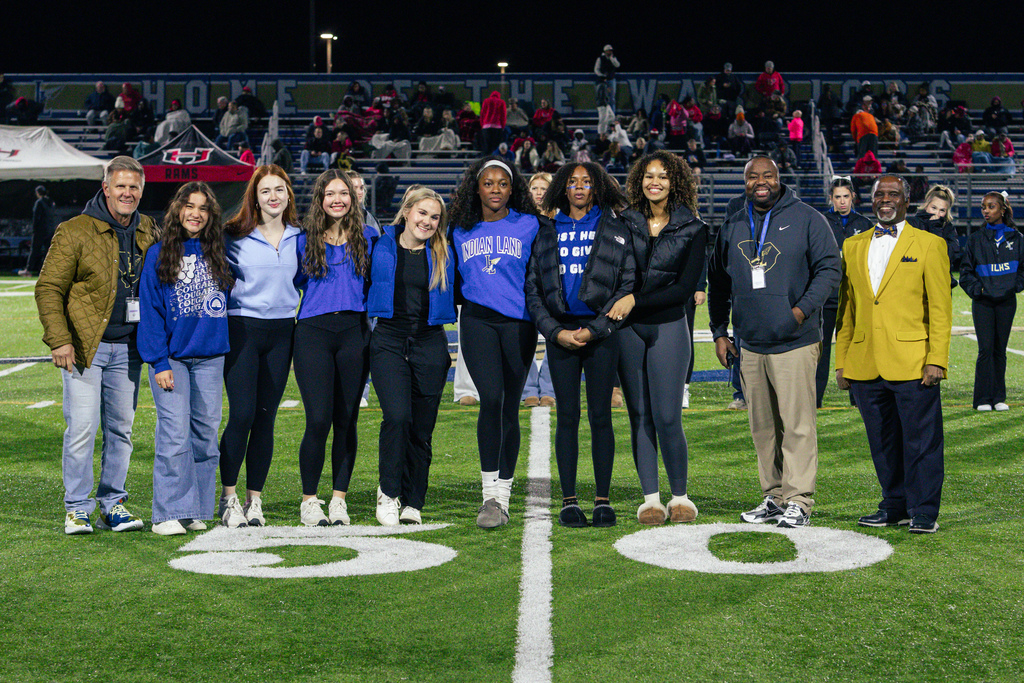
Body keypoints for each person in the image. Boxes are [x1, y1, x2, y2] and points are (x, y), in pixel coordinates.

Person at [708, 157, 841, 529]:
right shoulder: (734, 222)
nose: (760, 182)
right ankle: (773, 496)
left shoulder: (808, 218)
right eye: (753, 177)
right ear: (745, 182)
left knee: (797, 424)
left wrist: (799, 312)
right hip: (749, 344)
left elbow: (830, 268)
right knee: (763, 428)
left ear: (779, 179)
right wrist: (719, 331)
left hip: (794, 340)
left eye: (767, 176)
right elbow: (716, 280)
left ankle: (799, 499)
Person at [34, 156, 157, 535]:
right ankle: (77, 507)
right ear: (106, 188)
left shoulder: (149, 229)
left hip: (130, 349)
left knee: (121, 431)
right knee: (83, 428)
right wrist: (59, 340)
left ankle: (112, 504)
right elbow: (49, 287)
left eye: (134, 187)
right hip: (86, 348)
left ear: (141, 190)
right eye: (120, 186)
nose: (127, 193)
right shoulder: (74, 230)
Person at [835, 175, 952, 534]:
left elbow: (941, 309)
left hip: (914, 362)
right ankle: (894, 505)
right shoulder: (852, 245)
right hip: (865, 361)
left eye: (893, 194)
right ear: (870, 200)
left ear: (907, 199)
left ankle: (923, 511)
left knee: (921, 441)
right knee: (882, 443)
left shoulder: (930, 244)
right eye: (879, 194)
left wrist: (937, 359)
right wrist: (842, 362)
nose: (886, 200)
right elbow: (847, 310)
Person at [526, 162, 634, 528]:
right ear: (562, 187)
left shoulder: (615, 226)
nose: (579, 188)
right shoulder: (546, 231)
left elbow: (626, 283)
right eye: (572, 182)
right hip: (561, 334)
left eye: (587, 182)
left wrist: (597, 328)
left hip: (601, 334)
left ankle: (603, 499)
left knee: (601, 416)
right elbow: (534, 291)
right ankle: (569, 500)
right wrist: (555, 333)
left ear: (597, 187)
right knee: (567, 418)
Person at [609, 150, 708, 525]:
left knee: (668, 416)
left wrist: (634, 299)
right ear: (639, 181)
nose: (655, 182)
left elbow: (683, 287)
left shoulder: (694, 228)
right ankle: (650, 499)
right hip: (629, 330)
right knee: (640, 415)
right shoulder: (622, 223)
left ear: (675, 182)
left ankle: (680, 496)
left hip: (668, 325)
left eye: (663, 177)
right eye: (649, 175)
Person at [449, 157, 542, 528]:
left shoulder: (530, 224)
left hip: (519, 324)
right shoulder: (459, 228)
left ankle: (503, 495)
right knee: (491, 399)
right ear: (477, 187)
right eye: (488, 183)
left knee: (509, 406)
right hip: (477, 322)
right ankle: (489, 495)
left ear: (512, 187)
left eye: (502, 183)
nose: (495, 190)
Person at [138, 182, 232, 536]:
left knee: (205, 437)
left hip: (210, 358)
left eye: (203, 208)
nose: (196, 213)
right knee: (175, 435)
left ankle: (194, 508)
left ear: (211, 215)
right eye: (190, 206)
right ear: (178, 210)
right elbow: (150, 311)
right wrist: (159, 361)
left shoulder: (220, 251)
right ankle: (167, 513)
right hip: (172, 358)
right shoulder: (159, 253)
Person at [366, 187, 455, 525]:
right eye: (422, 213)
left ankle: (414, 500)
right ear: (406, 213)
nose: (428, 221)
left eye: (435, 217)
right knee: (397, 417)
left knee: (421, 429)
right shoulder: (379, 243)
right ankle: (388, 493)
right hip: (388, 341)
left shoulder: (446, 252)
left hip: (430, 344)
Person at [219, 165, 302, 527]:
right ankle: (228, 497)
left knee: (266, 420)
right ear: (254, 196)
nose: (273, 197)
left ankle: (255, 500)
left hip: (283, 331)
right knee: (241, 415)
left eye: (279, 190)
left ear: (288, 195)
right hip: (243, 329)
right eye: (265, 190)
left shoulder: (300, 235)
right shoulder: (232, 235)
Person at [293, 170, 375, 526]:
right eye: (330, 194)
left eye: (344, 193)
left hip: (355, 332)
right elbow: (293, 282)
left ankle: (339, 498)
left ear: (353, 199)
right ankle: (310, 500)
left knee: (347, 420)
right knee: (318, 419)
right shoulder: (303, 239)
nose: (337, 199)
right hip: (312, 332)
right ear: (320, 199)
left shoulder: (369, 237)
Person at [959, 192, 1024, 412]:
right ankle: (982, 399)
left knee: (1000, 350)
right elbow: (965, 273)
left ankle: (999, 398)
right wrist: (979, 290)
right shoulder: (975, 239)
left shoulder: (1017, 238)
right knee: (985, 350)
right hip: (983, 303)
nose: (986, 211)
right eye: (983, 207)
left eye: (991, 206)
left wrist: (1014, 286)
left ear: (1003, 209)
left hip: (1006, 302)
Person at [817, 176, 873, 408]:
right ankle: (815, 398)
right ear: (831, 198)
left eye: (846, 197)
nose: (842, 201)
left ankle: (856, 398)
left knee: (854, 347)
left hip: (854, 297)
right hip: (827, 296)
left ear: (853, 197)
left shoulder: (866, 224)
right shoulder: (820, 221)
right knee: (821, 350)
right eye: (837, 197)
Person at [906, 184, 961, 288]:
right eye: (934, 208)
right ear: (927, 205)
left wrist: (936, 229)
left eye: (942, 210)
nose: (937, 213)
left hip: (940, 283)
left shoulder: (949, 228)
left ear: (947, 211)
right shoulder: (912, 224)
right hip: (915, 283)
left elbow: (948, 257)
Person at [19, 185, 57, 276]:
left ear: (38, 193)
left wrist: (34, 229)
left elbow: (36, 218)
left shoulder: (39, 202)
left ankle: (28, 270)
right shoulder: (51, 202)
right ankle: (48, 270)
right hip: (50, 229)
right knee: (49, 251)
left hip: (40, 230)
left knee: (35, 250)